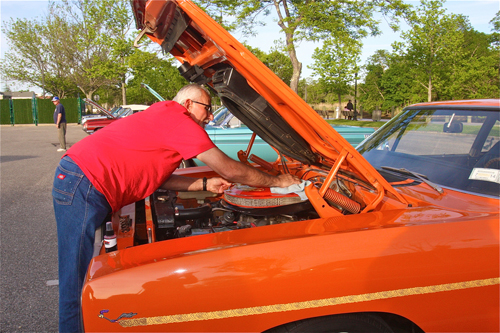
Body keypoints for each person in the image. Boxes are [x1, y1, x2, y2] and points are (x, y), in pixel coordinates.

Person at [52, 84, 300, 332]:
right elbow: (230, 169)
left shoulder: (165, 114)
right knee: (75, 277)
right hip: (83, 183)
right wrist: (278, 182)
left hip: (84, 181)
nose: (211, 115)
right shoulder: (180, 121)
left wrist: (205, 183)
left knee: (88, 272)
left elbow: (159, 177)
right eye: (208, 108)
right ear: (188, 104)